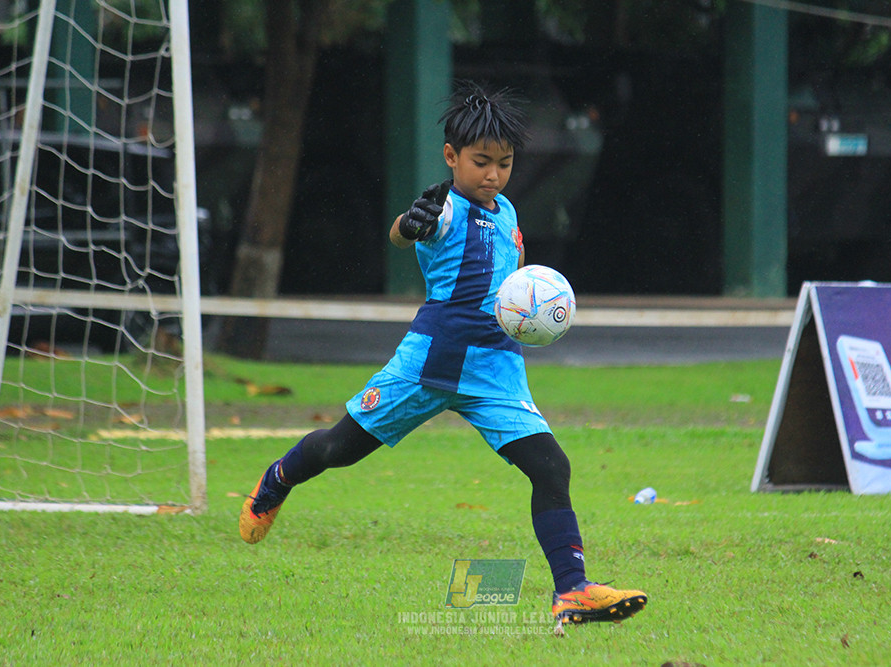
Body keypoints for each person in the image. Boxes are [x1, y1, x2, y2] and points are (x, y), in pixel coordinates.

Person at [239, 81, 646, 627]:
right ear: (452, 158)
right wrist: (411, 224)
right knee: (341, 448)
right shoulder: (443, 208)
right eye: (481, 163)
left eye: (504, 163)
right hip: (430, 362)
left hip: (496, 366)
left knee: (552, 467)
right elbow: (403, 235)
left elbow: (510, 279)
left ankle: (572, 589)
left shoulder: (506, 213)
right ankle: (278, 480)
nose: (494, 175)